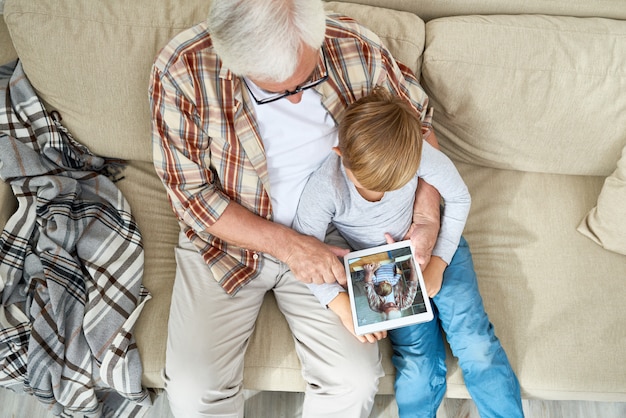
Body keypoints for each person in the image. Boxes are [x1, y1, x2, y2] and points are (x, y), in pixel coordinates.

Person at [149, 1, 443, 417]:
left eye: (307, 78)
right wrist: (291, 247)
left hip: (335, 235)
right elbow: (193, 194)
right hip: (230, 239)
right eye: (281, 90)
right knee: (195, 389)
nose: (296, 99)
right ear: (235, 63)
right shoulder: (181, 71)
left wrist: (427, 218)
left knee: (354, 380)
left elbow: (420, 124)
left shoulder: (354, 46)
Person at [293, 88, 524, 418]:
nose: (382, 193)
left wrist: (439, 262)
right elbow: (306, 256)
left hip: (441, 250)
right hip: (382, 271)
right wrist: (341, 304)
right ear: (340, 153)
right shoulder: (325, 187)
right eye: (369, 186)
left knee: (475, 341)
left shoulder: (414, 151)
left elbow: (459, 198)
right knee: (417, 359)